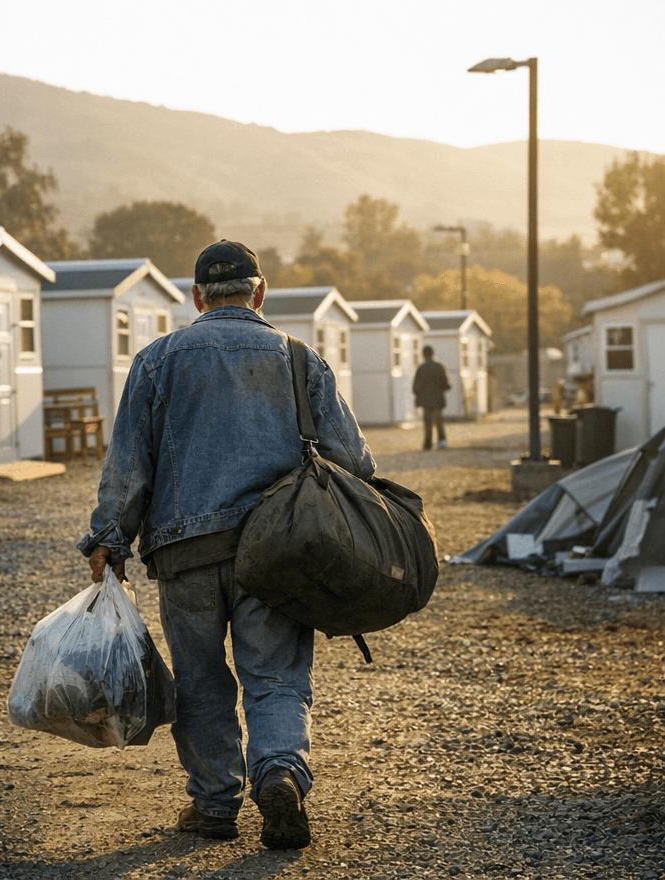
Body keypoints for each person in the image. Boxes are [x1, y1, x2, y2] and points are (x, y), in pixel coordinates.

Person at [80, 240, 375, 850]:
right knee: (274, 677)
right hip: (275, 555)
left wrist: (110, 538)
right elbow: (355, 461)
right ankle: (280, 776)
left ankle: (215, 805)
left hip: (184, 553)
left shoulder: (158, 360)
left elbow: (129, 462)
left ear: (196, 299)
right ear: (259, 292)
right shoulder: (299, 357)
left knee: (201, 681)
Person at [413, 345, 452, 450]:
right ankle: (442, 441)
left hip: (426, 401)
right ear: (432, 353)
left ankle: (428, 443)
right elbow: (446, 383)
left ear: (423, 355)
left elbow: (416, 387)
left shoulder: (421, 368)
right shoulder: (439, 367)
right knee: (439, 421)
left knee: (427, 423)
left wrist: (419, 396)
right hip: (438, 399)